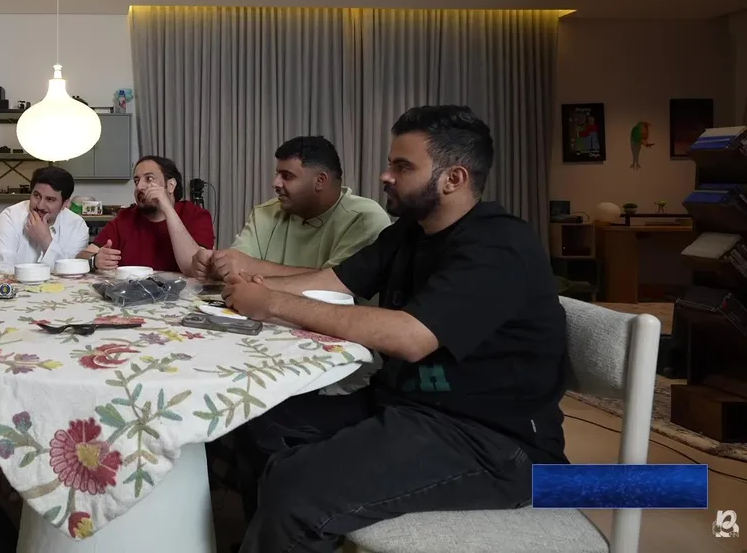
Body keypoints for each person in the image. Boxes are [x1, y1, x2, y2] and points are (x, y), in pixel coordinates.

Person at [221, 105, 568, 553]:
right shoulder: (408, 232)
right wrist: (256, 286)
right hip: (406, 405)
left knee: (296, 489)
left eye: (402, 167)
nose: (385, 175)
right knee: (258, 421)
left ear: (454, 178)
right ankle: (276, 537)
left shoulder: (499, 246)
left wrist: (270, 302)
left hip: (493, 441)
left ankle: (288, 525)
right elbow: (333, 281)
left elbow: (410, 336)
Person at [193, 136, 388, 282]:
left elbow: (336, 285)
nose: (275, 183)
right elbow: (236, 266)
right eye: (277, 174)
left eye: (287, 176)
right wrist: (213, 263)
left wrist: (252, 267)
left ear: (320, 180)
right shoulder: (266, 212)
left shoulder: (364, 219)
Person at [77, 155, 215, 275]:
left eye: (149, 179)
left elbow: (192, 268)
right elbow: (81, 258)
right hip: (131, 294)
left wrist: (167, 208)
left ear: (170, 185)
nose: (139, 187)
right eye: (136, 181)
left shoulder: (196, 215)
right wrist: (94, 260)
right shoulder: (124, 218)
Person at [0, 166, 90, 265]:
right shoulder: (10, 217)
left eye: (50, 199)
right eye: (36, 195)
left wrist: (45, 241)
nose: (40, 206)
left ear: (65, 204)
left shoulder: (77, 226)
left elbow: (71, 270)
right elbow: (2, 268)